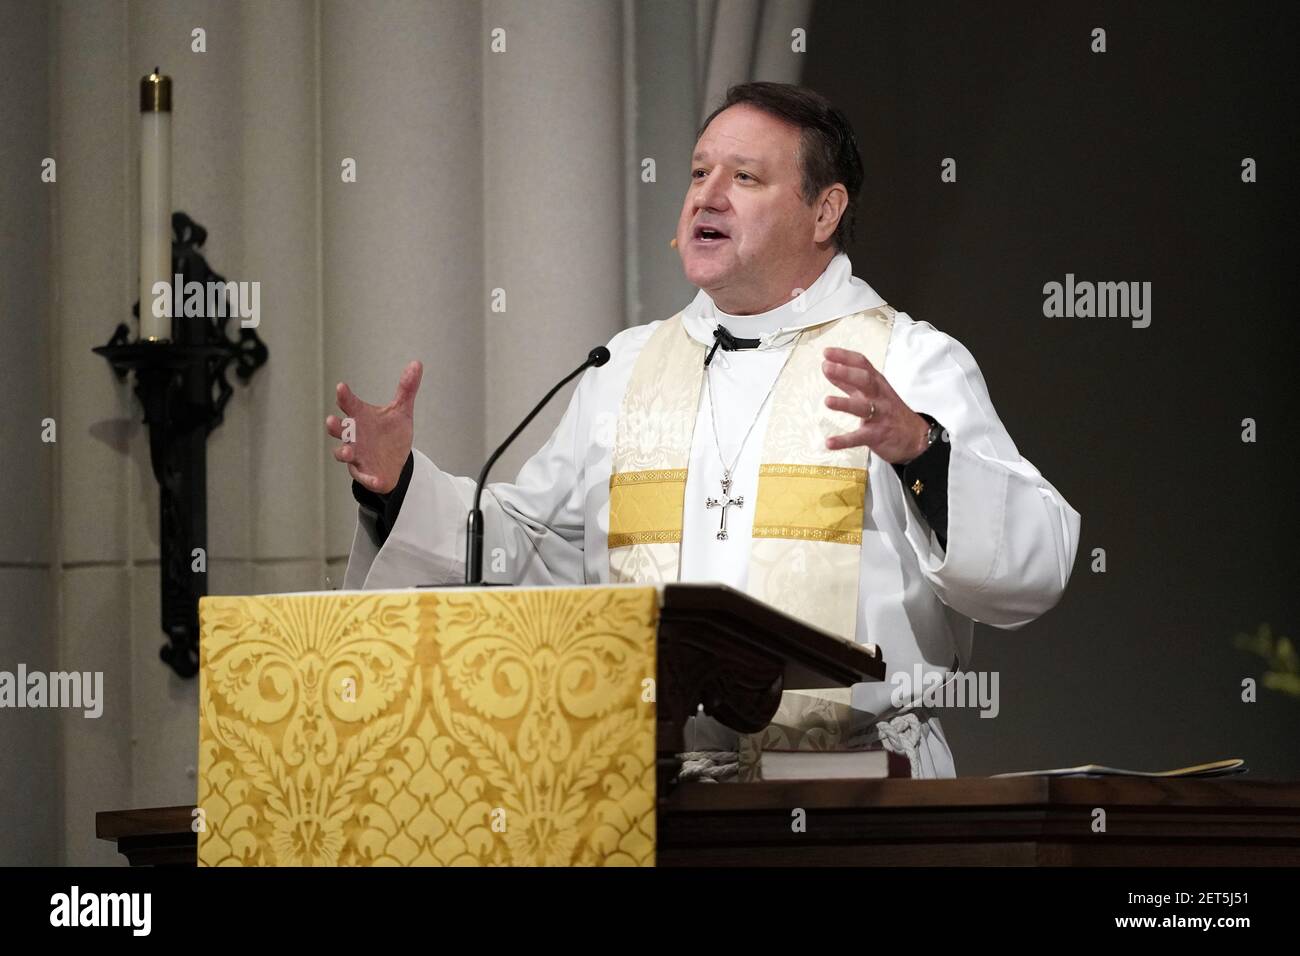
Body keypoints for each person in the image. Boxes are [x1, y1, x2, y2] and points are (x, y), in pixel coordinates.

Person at [324, 82, 1082, 778]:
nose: (705, 197)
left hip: (852, 789)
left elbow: (1031, 569)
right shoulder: (624, 367)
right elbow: (535, 550)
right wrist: (403, 488)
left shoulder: (908, 360)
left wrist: (921, 450)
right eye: (697, 174)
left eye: (744, 178)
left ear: (825, 212)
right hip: (657, 793)